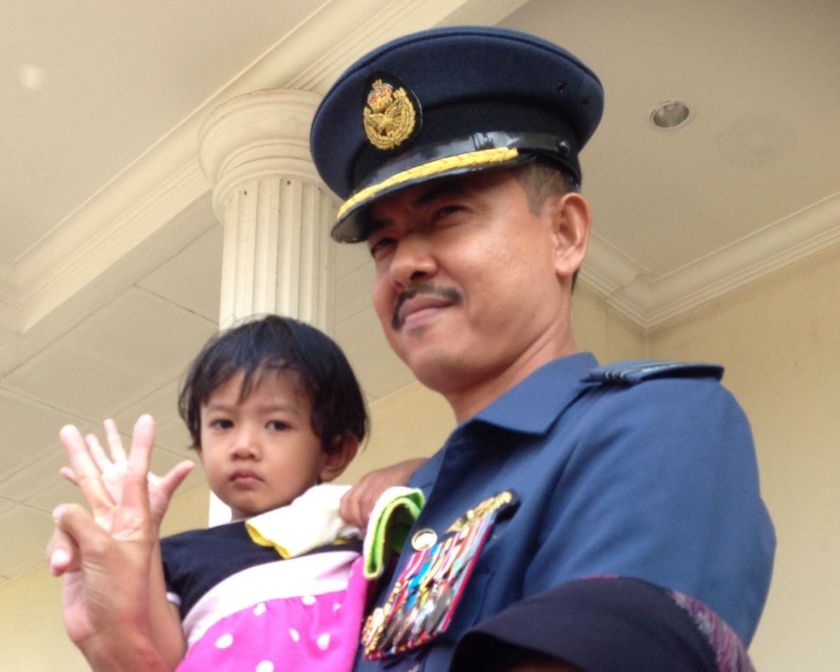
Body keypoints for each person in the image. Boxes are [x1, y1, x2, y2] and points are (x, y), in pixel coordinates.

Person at [48, 25, 774, 671]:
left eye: (448, 215)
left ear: (565, 234)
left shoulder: (655, 426)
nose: (404, 263)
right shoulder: (391, 514)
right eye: (384, 242)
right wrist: (139, 656)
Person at [53, 315, 420, 671]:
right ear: (200, 445)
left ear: (334, 451)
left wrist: (409, 473)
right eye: (223, 424)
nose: (242, 446)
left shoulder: (358, 525)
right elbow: (164, 660)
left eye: (277, 424)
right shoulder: (175, 555)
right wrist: (142, 543)